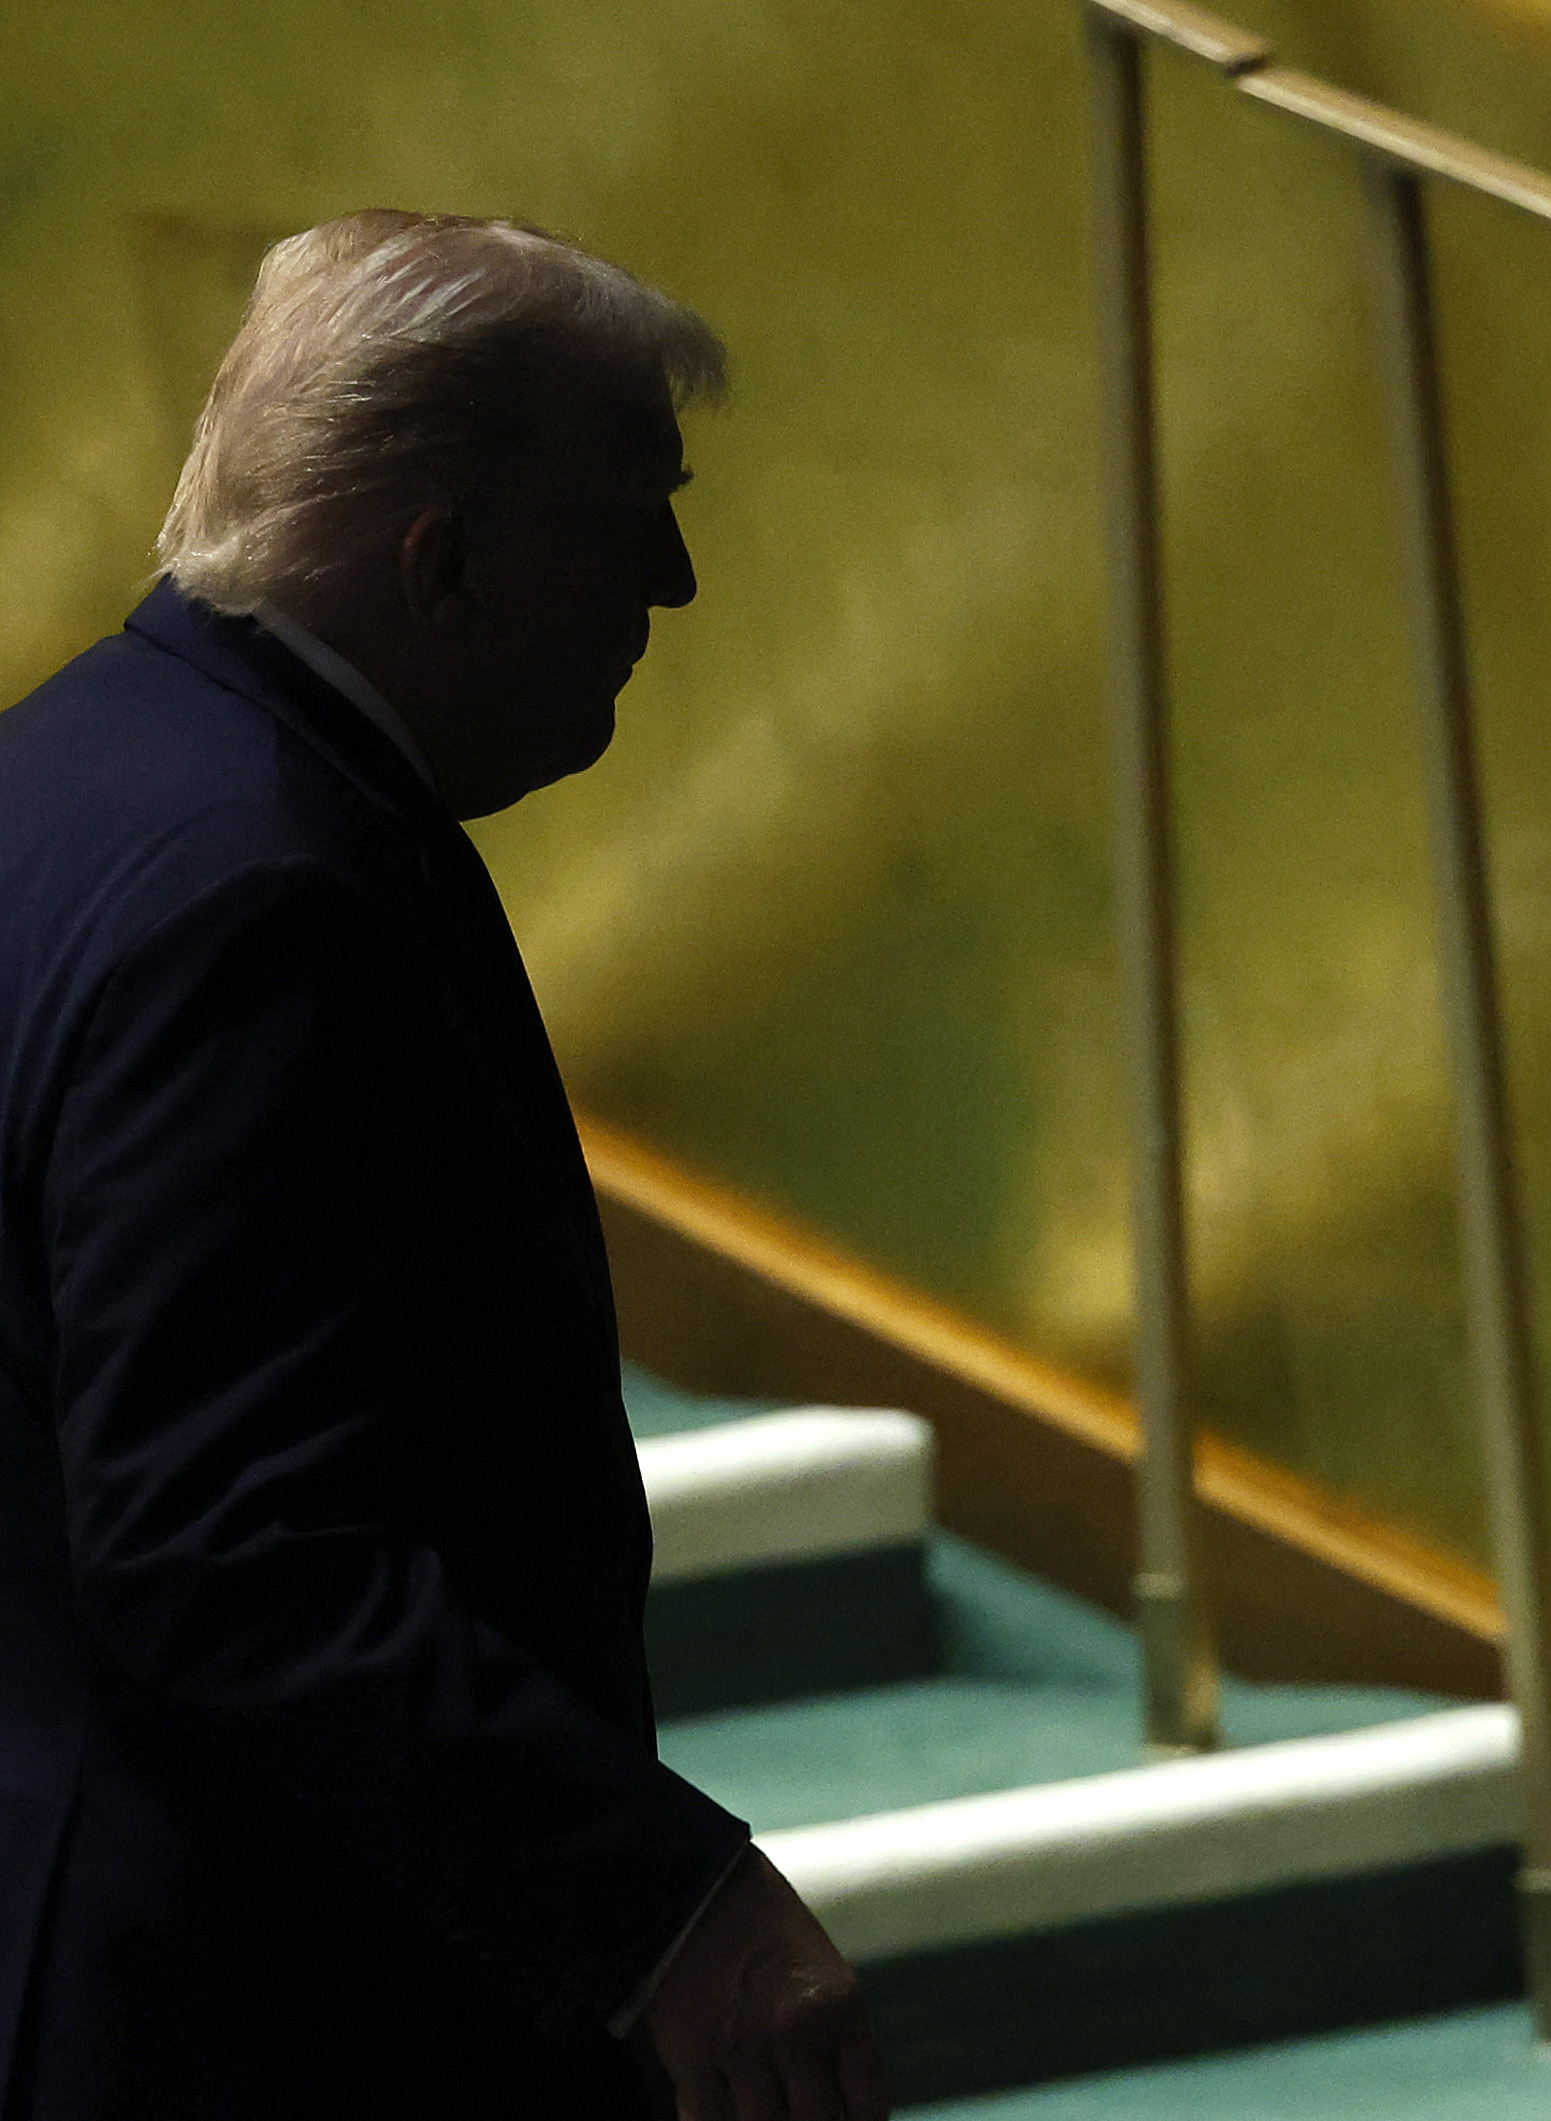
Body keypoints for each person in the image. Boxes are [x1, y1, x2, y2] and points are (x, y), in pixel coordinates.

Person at [0, 212, 889, 2120]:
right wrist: (668, 1910)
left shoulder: (72, 773)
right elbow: (234, 1550)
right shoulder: (263, 888)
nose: (678, 578)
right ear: (444, 556)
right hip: (257, 2016)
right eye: (634, 510)